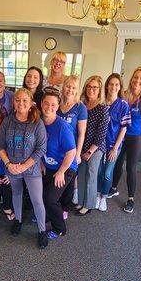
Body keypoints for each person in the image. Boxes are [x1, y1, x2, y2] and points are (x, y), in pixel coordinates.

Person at [0, 88, 48, 249]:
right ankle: (18, 220)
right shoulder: (7, 121)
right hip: (11, 168)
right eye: (18, 100)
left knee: (37, 200)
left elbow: (41, 149)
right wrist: (8, 165)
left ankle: (42, 231)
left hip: (31, 169)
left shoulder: (37, 122)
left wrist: (24, 166)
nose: (21, 103)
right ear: (13, 102)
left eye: (25, 100)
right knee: (16, 194)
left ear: (31, 103)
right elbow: (0, 145)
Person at [110, 66, 141, 213]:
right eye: (136, 77)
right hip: (120, 136)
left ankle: (130, 198)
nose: (138, 81)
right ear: (131, 78)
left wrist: (136, 132)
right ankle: (114, 188)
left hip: (135, 138)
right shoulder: (123, 95)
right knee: (117, 162)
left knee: (131, 168)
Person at [41, 89, 77, 239]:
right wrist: (41, 163)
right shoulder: (39, 123)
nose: (49, 107)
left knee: (50, 198)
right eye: (46, 103)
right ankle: (48, 216)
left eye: (53, 105)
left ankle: (60, 228)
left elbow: (71, 152)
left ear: (58, 106)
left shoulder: (62, 126)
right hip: (48, 166)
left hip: (66, 167)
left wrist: (61, 171)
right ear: (42, 104)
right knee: (42, 195)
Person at [97, 73, 131, 212]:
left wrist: (115, 148)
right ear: (107, 86)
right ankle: (98, 195)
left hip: (113, 145)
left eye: (116, 84)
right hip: (99, 144)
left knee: (107, 173)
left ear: (120, 87)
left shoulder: (123, 105)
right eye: (111, 84)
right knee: (99, 171)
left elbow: (123, 129)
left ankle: (104, 197)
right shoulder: (102, 103)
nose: (113, 87)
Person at [76, 76, 109, 215]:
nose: (91, 89)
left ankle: (89, 205)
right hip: (82, 145)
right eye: (89, 86)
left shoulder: (103, 108)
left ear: (99, 90)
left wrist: (90, 151)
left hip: (96, 147)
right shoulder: (81, 105)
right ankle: (81, 201)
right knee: (82, 174)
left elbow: (101, 134)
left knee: (91, 174)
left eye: (94, 87)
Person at [57, 75, 87, 212]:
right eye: (68, 86)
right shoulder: (57, 104)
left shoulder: (80, 108)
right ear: (63, 88)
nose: (70, 90)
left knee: (68, 183)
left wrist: (78, 154)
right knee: (56, 179)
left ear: (77, 91)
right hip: (56, 151)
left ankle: (64, 209)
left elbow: (81, 133)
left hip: (71, 151)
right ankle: (53, 207)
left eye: (74, 88)